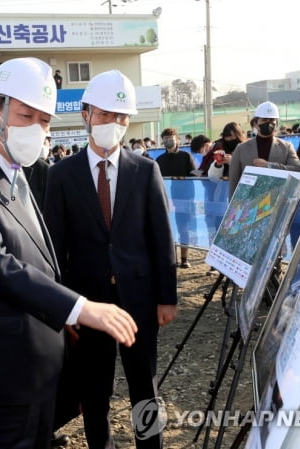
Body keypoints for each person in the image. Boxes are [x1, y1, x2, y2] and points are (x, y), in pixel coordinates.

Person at [0, 57, 137, 449]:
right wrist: (79, 307)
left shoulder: (16, 173)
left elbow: (41, 259)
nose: (37, 129)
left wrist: (59, 316)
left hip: (31, 374)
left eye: (44, 120)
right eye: (26, 116)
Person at [43, 70, 178, 449]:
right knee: (94, 389)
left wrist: (167, 297)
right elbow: (54, 246)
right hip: (88, 303)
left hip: (139, 300)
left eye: (121, 117)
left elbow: (160, 237)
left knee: (144, 387)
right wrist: (63, 307)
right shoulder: (62, 175)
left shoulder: (145, 169)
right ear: (86, 114)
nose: (113, 124)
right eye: (105, 115)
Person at [228, 101, 300, 197]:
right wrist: (232, 207)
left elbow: (297, 169)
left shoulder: (286, 147)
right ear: (255, 123)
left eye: (271, 120)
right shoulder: (241, 149)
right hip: (248, 204)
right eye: (264, 120)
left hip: (276, 201)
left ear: (276, 123)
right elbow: (234, 180)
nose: (268, 123)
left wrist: (269, 165)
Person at [156, 127, 197, 268]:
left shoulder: (186, 156)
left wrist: (190, 198)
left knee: (183, 228)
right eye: (166, 138)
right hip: (166, 199)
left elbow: (194, 177)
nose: (168, 140)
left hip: (184, 198)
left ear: (177, 139)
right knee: (168, 230)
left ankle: (184, 258)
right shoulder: (159, 160)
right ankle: (171, 258)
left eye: (171, 137)